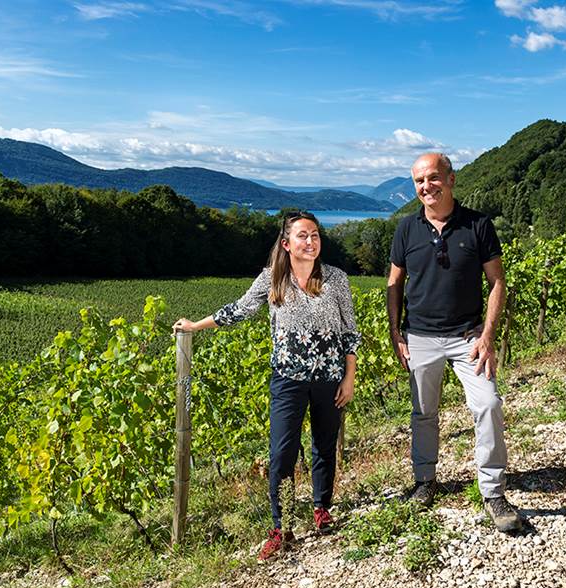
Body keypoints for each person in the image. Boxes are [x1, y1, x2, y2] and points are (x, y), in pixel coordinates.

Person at [173, 211, 360, 559]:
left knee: (323, 445)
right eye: (303, 236)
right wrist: (197, 325)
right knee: (282, 454)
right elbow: (240, 310)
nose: (311, 242)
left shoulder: (337, 279)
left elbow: (350, 332)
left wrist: (348, 378)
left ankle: (322, 510)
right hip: (287, 381)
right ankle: (284, 525)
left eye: (315, 235)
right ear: (287, 244)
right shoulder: (272, 279)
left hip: (329, 378)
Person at [387, 152, 522, 532]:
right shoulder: (406, 229)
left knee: (489, 404)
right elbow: (394, 284)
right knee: (423, 413)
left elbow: (497, 282)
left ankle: (493, 493)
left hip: (468, 337)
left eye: (433, 178)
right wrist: (396, 333)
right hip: (420, 338)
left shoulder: (478, 225)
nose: (425, 187)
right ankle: (425, 481)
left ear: (451, 179)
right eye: (418, 181)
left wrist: (488, 336)